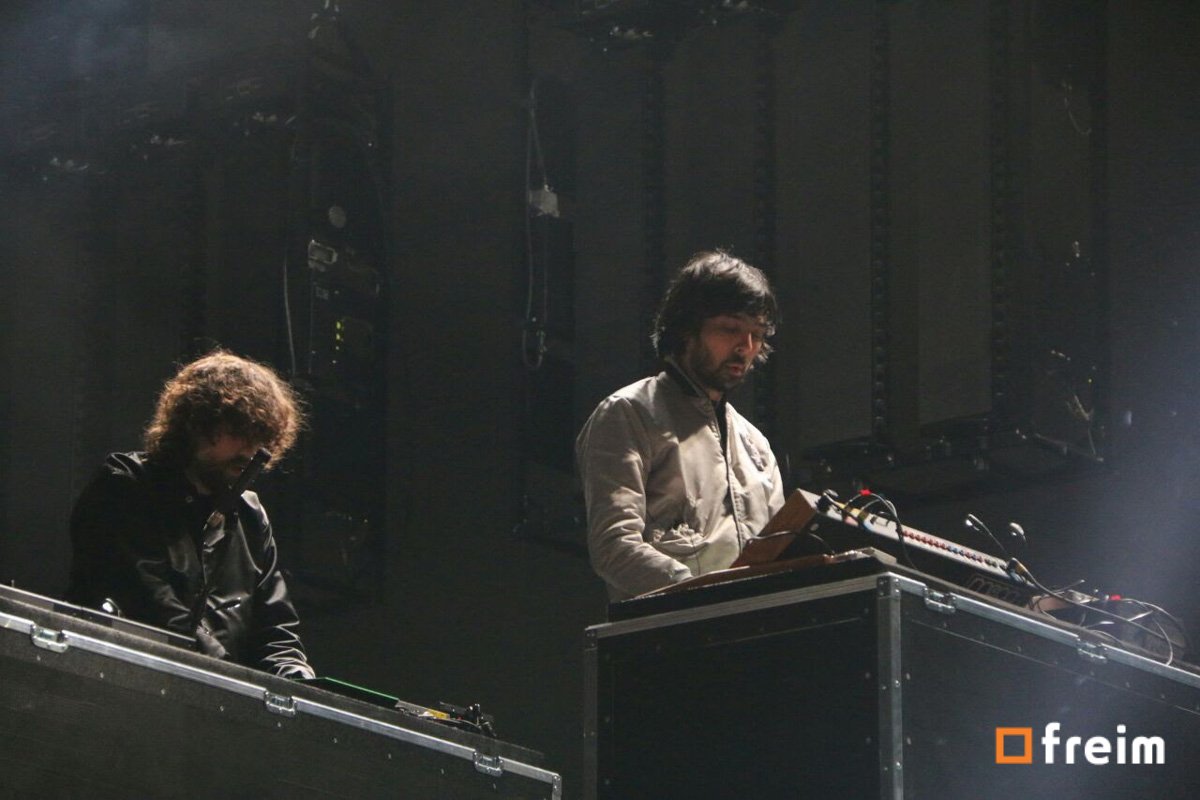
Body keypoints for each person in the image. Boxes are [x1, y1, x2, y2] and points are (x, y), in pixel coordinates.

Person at [66, 350, 316, 678]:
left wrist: (296, 676)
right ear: (196, 424)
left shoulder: (250, 515)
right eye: (238, 431)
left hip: (215, 694)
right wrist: (232, 679)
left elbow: (276, 632)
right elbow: (153, 606)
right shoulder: (127, 484)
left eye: (259, 437)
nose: (250, 449)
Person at [576, 251, 786, 600]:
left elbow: (780, 556)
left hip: (750, 627)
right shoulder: (627, 414)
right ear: (687, 328)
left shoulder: (757, 445)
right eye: (731, 329)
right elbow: (613, 546)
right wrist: (702, 596)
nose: (746, 347)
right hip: (673, 628)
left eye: (757, 333)